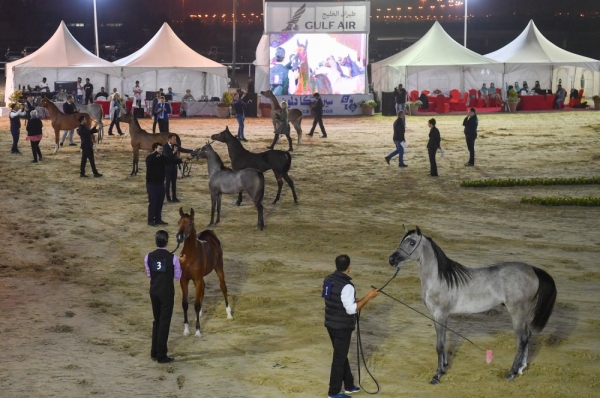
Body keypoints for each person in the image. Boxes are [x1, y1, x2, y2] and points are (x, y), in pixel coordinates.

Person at [323, 255, 379, 398]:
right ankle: (333, 392)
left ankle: (348, 385)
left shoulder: (328, 279)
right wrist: (368, 297)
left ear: (336, 266)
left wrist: (353, 300)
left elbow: (330, 297)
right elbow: (351, 310)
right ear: (349, 267)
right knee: (339, 359)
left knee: (340, 355)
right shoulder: (347, 285)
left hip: (330, 323)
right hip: (342, 327)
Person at [144, 230, 182, 363]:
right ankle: (161, 354)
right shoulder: (173, 259)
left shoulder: (148, 256)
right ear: (167, 242)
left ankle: (154, 351)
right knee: (164, 322)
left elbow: (149, 274)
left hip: (154, 291)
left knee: (157, 321)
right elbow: (178, 276)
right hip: (166, 293)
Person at [145, 142, 188, 226]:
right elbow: (154, 162)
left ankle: (158, 219)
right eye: (160, 149)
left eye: (162, 149)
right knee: (153, 202)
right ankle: (150, 220)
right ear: (155, 149)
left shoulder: (161, 158)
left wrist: (182, 160)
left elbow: (171, 160)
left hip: (160, 184)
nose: (161, 150)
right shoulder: (150, 158)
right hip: (152, 184)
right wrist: (157, 154)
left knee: (160, 202)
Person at [163, 133, 192, 203]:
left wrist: (193, 151)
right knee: (167, 183)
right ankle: (168, 198)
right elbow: (168, 157)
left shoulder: (175, 146)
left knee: (174, 183)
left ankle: (174, 197)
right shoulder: (165, 147)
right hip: (167, 168)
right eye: (174, 139)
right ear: (169, 139)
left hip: (174, 167)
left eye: (175, 139)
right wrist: (174, 151)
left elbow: (183, 150)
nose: (175, 141)